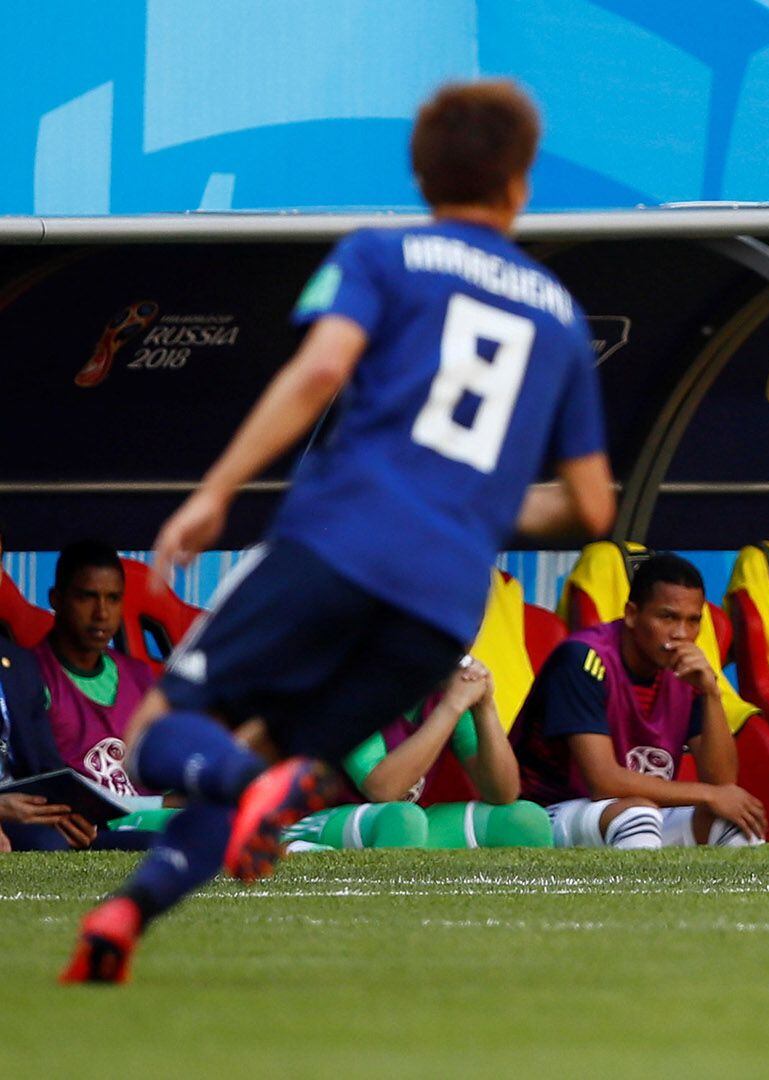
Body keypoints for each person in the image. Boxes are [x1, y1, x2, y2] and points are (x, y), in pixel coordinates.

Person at [63, 79, 616, 984]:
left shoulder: (384, 254)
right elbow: (590, 508)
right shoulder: (556, 313)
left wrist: (218, 489)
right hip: (445, 602)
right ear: (521, 184)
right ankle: (126, 917)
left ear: (418, 171)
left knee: (158, 737)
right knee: (264, 762)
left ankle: (252, 795)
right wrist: (474, 502)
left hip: (340, 544)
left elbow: (320, 370)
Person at [513, 553, 765, 850]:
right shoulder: (584, 658)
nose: (681, 634)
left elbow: (721, 782)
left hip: (633, 812)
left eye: (693, 621)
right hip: (547, 814)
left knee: (732, 824)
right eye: (668, 617)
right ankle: (646, 899)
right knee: (637, 817)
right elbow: (603, 781)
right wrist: (708, 795)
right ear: (632, 614)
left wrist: (711, 693)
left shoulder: (687, 671)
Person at [283, 658, 551, 850]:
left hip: (403, 824)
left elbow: (503, 793)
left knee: (525, 820)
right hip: (317, 818)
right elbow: (383, 788)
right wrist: (451, 707)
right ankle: (299, 849)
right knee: (402, 821)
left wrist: (485, 708)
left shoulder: (445, 688)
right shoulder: (353, 684)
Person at [32, 543, 155, 800]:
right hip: (82, 824)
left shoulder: (139, 676)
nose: (102, 613)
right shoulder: (31, 675)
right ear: (56, 599)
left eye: (113, 598)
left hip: (146, 814)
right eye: (87, 597)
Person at [1, 634, 101, 852]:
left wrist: (68, 814)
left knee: (147, 845)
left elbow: (47, 763)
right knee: (47, 845)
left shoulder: (18, 661)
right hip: (12, 816)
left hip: (26, 807)